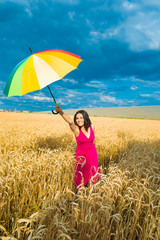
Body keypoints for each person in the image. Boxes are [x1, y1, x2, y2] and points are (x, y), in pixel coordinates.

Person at [55, 105, 100, 189]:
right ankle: (79, 198)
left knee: (92, 177)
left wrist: (94, 153)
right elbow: (70, 121)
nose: (79, 120)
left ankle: (90, 196)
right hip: (81, 156)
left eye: (81, 118)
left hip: (92, 155)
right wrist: (60, 112)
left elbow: (93, 141)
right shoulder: (76, 129)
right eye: (77, 118)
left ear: (85, 118)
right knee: (80, 178)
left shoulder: (92, 127)